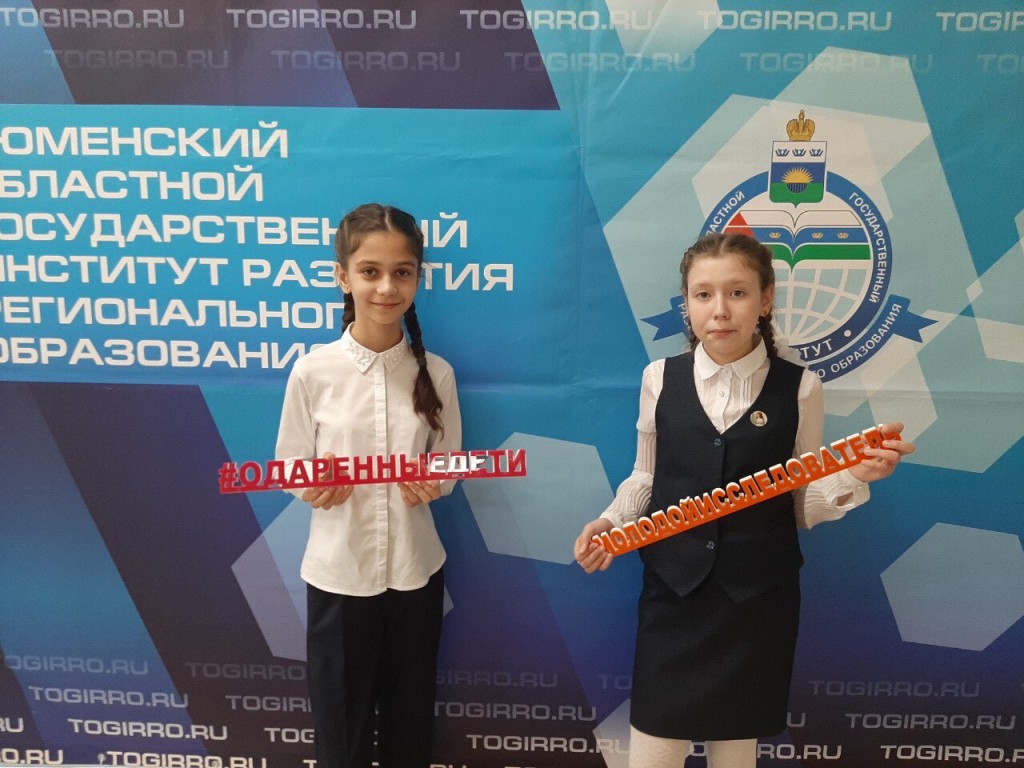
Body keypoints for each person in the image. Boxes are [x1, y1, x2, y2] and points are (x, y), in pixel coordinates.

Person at [573, 232, 915, 768]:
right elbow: (646, 475)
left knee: (736, 753)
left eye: (737, 292)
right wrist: (611, 521)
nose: (719, 310)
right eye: (703, 294)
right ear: (686, 303)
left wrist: (855, 476)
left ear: (766, 299)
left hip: (757, 600)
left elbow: (799, 500)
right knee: (654, 749)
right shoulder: (658, 379)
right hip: (673, 595)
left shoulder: (801, 387)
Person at [276, 203, 462, 768]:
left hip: (415, 571)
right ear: (343, 276)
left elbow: (450, 465)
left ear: (418, 278)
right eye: (370, 271)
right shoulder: (312, 371)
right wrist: (311, 485)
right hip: (339, 574)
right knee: (341, 735)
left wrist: (434, 483)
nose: (386, 287)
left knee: (410, 728)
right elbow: (289, 465)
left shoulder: (437, 373)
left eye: (402, 272)